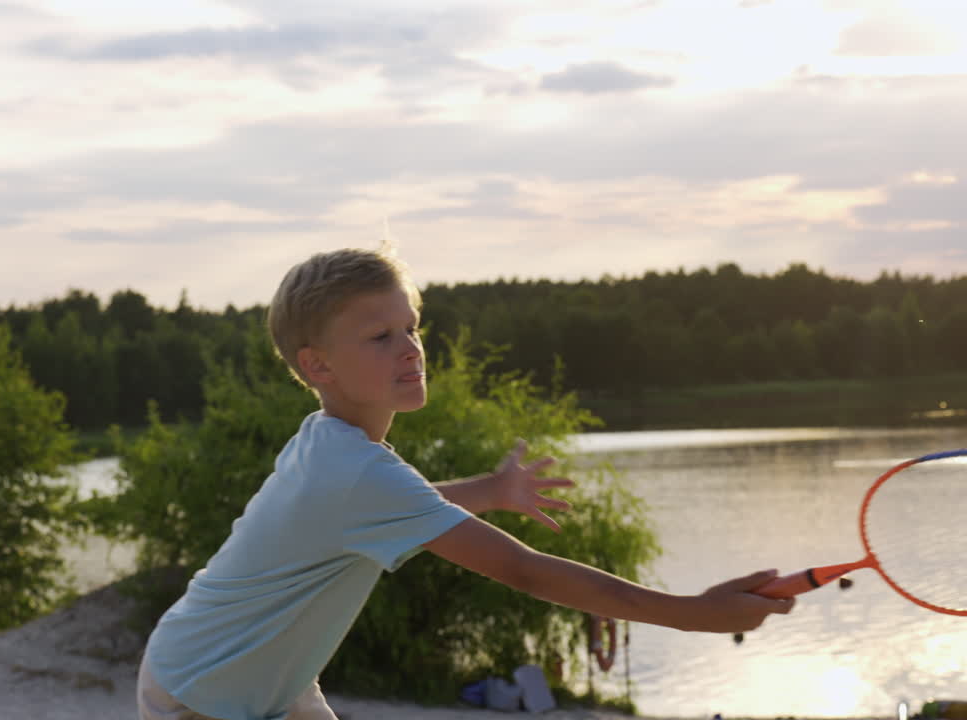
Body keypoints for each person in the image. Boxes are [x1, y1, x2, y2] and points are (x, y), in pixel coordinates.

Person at [137, 246, 795, 720]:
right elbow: (527, 573)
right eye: (380, 336)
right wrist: (695, 614)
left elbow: (408, 508)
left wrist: (493, 489)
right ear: (318, 364)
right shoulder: (354, 469)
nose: (410, 348)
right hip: (202, 695)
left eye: (412, 328)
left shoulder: (330, 446)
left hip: (250, 681)